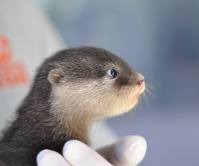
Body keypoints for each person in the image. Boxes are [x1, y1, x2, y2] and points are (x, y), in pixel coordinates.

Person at [0, 0, 147, 165]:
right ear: (59, 80)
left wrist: (108, 156)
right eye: (112, 74)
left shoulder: (16, 10)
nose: (140, 79)